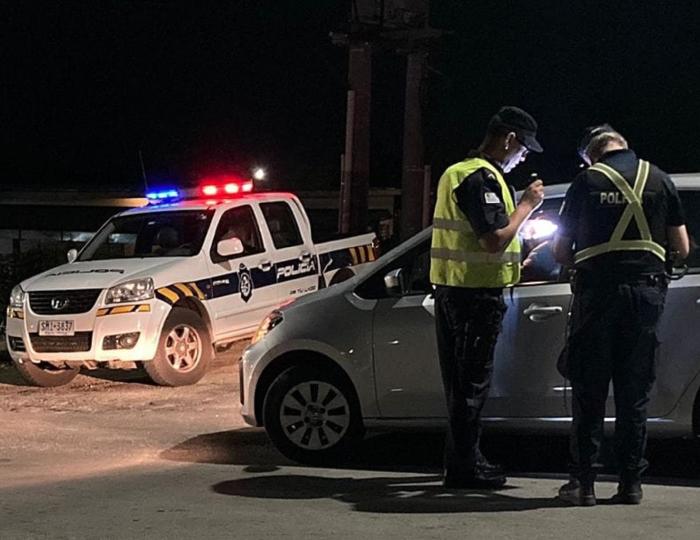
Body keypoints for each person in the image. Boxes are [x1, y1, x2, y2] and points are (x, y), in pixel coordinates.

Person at [553, 124, 690, 506]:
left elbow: (561, 252)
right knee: (634, 393)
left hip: (598, 297)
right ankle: (630, 484)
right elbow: (680, 246)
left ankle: (583, 485)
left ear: (592, 155)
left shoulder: (586, 182)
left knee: (589, 390)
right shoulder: (659, 178)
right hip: (645, 297)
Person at [430, 106, 545, 488]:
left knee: (460, 385)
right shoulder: (480, 177)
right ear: (508, 139)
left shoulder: (457, 172)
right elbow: (492, 239)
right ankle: (465, 468)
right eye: (523, 148)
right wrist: (527, 205)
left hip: (454, 289)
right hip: (473, 297)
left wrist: (522, 260)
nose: (523, 156)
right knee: (471, 386)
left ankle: (461, 461)